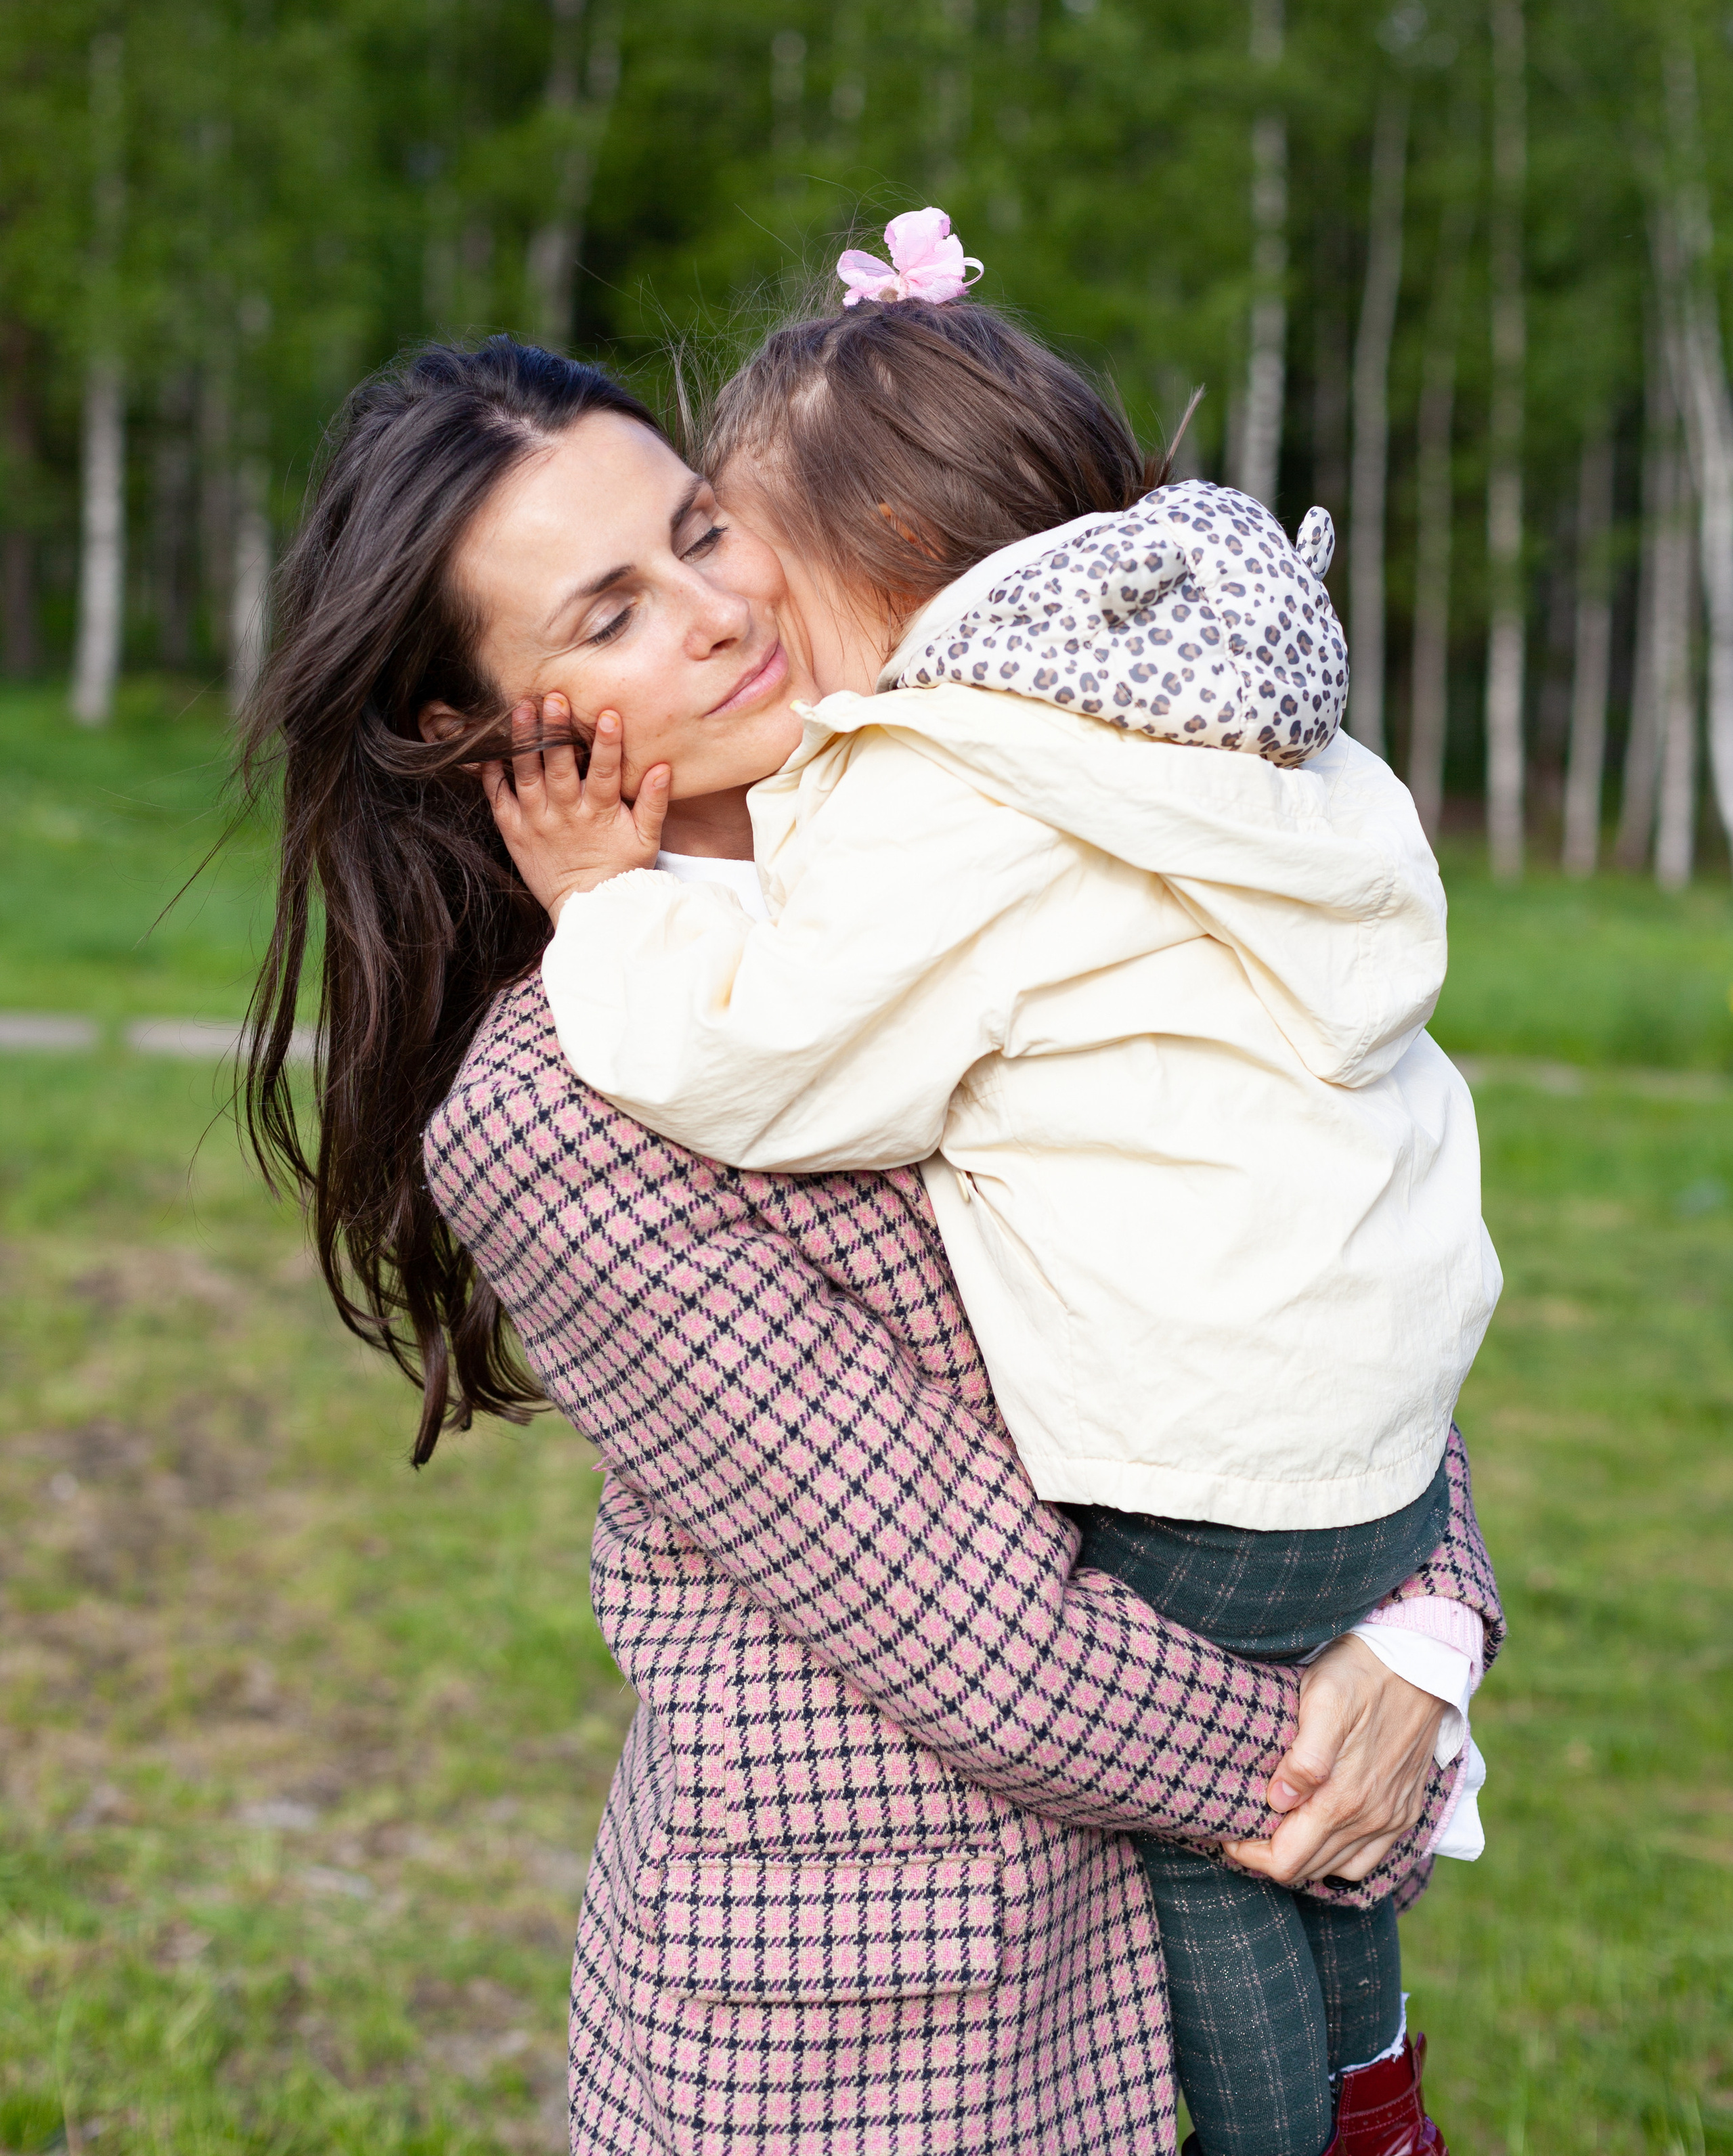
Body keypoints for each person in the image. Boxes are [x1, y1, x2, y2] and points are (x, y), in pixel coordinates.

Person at [241, 332, 1502, 2155]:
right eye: (609, 614)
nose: (715, 614)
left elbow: (1335, 1258)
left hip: (1194, 1938)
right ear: (471, 727)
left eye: (700, 530)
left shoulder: (1052, 814)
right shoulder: (560, 1106)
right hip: (880, 2034)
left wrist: (1429, 1618)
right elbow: (977, 1635)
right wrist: (1353, 1764)